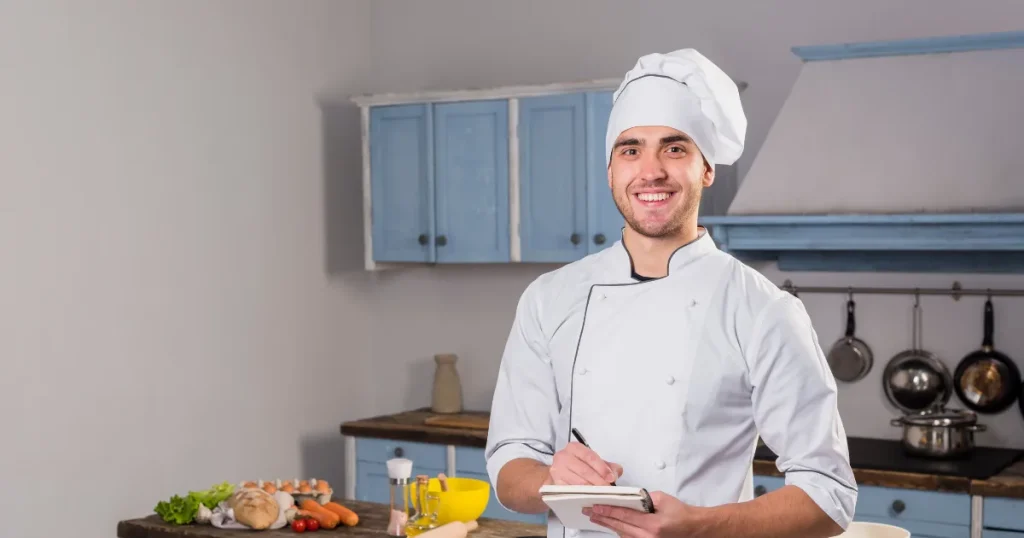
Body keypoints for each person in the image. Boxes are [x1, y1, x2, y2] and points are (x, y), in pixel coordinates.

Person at [484, 48, 857, 538]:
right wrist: (551, 479)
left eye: (675, 148)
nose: (651, 170)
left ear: (706, 169)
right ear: (611, 169)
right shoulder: (548, 298)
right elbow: (511, 468)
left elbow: (829, 498)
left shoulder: (762, 309)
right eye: (631, 149)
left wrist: (699, 526)